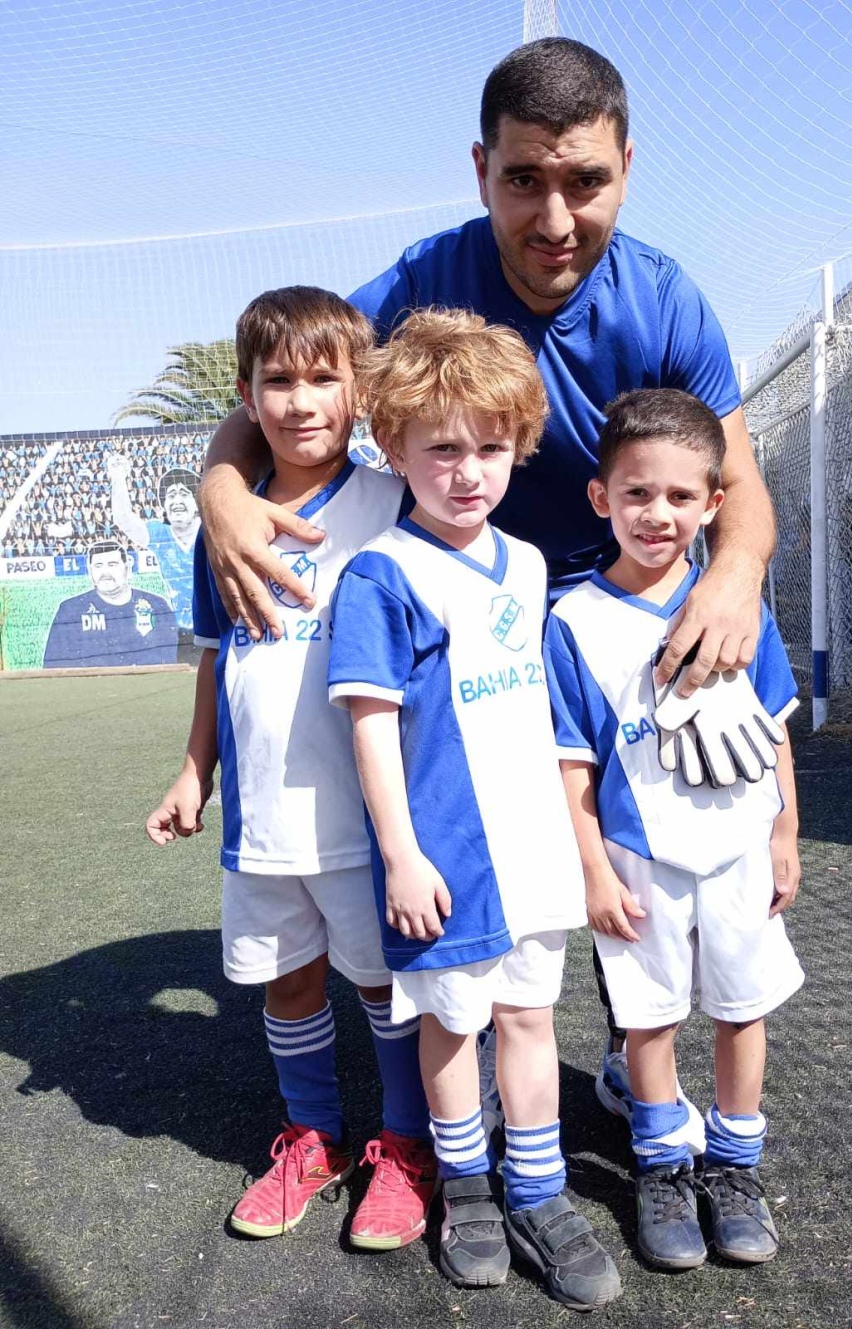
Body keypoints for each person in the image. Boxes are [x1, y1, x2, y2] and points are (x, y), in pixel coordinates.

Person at [198, 35, 777, 1118]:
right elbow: (291, 382)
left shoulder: (666, 301)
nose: (553, 219)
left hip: (616, 604)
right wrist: (220, 490)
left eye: (585, 182)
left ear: (627, 169)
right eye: (524, 180)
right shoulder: (423, 279)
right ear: (480, 170)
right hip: (467, 589)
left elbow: (738, 486)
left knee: (634, 840)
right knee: (455, 820)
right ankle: (443, 1067)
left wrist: (734, 570)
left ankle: (630, 1067)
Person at [328, 309, 621, 1310]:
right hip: (443, 855)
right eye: (442, 448)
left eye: (489, 448)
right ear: (392, 447)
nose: (467, 471)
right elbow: (369, 726)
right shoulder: (382, 574)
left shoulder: (530, 565)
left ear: (519, 447)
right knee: (451, 1030)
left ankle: (536, 1190)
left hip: (530, 847)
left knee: (530, 1015)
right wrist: (401, 855)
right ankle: (468, 1193)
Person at [145, 287, 438, 1251]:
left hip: (365, 816)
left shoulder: (393, 502)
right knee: (289, 980)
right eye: (279, 380)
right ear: (244, 392)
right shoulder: (222, 527)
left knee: (384, 984)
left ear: (360, 390)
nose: (303, 400)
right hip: (262, 818)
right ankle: (314, 1136)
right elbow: (216, 657)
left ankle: (405, 1145)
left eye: (326, 377)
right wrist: (197, 770)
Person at [545, 389, 803, 1270]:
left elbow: (773, 732)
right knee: (649, 1019)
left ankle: (734, 1166)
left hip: (737, 848)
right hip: (638, 857)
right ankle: (661, 1162)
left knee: (742, 1008)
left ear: (714, 504)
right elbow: (570, 762)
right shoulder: (572, 622)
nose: (658, 515)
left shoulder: (738, 607)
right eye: (637, 494)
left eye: (681, 497)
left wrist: (784, 837)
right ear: (600, 497)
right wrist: (591, 869)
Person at [42, 540, 177, 668]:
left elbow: (172, 659)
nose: (105, 572)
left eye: (112, 564)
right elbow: (53, 666)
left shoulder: (157, 605)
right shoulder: (71, 610)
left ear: (127, 568)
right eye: (98, 566)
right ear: (90, 570)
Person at [109, 454, 201, 632]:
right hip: (180, 627)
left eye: (184, 493)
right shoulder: (160, 533)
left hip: (215, 624)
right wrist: (118, 477)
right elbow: (124, 519)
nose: (176, 501)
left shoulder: (211, 532)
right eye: (170, 496)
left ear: (197, 502)